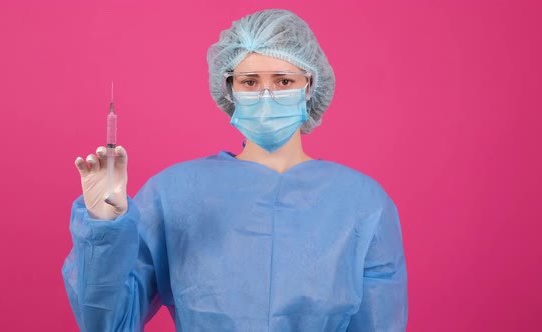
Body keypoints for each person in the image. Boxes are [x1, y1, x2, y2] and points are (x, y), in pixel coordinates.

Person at [62, 9, 408, 332]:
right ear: (230, 90)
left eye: (284, 81)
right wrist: (104, 229)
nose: (267, 94)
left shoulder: (362, 202)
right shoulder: (174, 193)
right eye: (250, 82)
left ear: (310, 86)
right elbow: (107, 321)